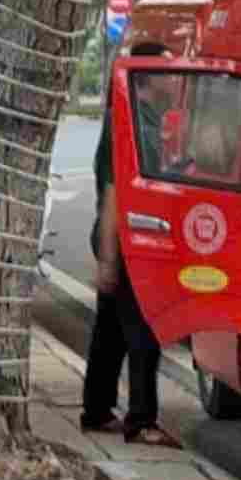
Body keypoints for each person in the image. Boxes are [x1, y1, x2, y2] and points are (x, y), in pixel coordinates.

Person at [81, 40, 178, 447]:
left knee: (110, 331)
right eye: (167, 72)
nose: (174, 79)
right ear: (147, 77)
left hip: (127, 237)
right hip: (127, 239)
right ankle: (141, 421)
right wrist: (109, 257)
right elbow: (114, 193)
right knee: (143, 332)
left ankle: (97, 410)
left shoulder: (141, 117)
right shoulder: (127, 121)